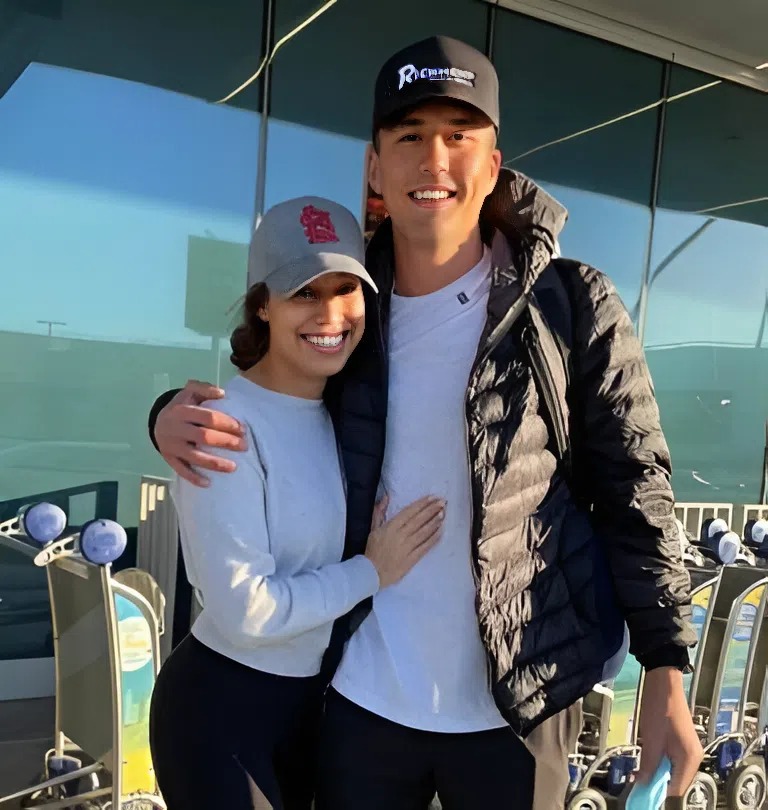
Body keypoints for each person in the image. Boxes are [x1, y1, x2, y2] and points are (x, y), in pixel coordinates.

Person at [147, 37, 703, 809]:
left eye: (457, 135)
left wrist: (666, 669)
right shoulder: (349, 314)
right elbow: (268, 395)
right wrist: (166, 416)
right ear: (375, 167)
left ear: (493, 163)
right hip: (359, 702)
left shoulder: (570, 304)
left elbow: (637, 488)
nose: (433, 158)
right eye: (409, 136)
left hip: (520, 704)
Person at [148, 195, 445, 810]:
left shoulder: (342, 412)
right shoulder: (222, 428)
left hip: (309, 707)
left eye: (346, 289)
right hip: (221, 715)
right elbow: (247, 613)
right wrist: (372, 570)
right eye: (304, 292)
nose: (330, 314)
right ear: (263, 304)